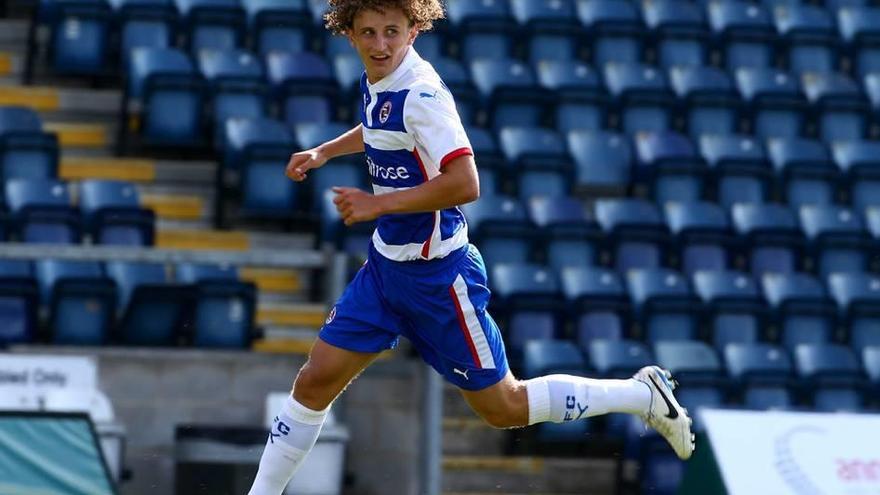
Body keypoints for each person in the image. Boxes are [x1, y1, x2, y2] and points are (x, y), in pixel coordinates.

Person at [247, 1, 694, 493]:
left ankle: (639, 395)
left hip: (439, 278)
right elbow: (380, 129)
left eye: (392, 32)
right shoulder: (381, 79)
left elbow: (466, 182)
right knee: (314, 381)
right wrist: (325, 151)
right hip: (384, 270)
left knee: (504, 407)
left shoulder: (421, 94)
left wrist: (381, 206)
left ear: (414, 30)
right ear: (349, 34)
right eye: (368, 33)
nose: (380, 44)